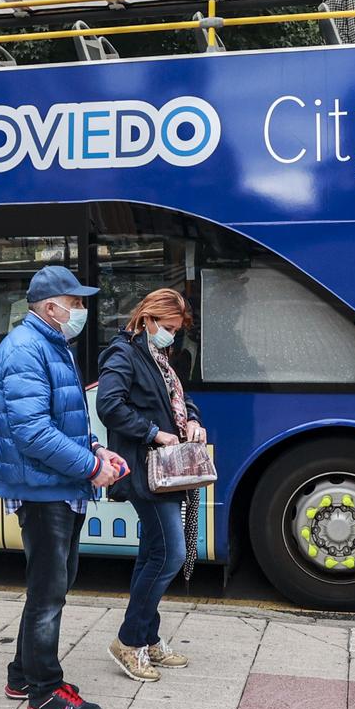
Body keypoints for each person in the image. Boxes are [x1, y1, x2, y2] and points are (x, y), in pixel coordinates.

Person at [0, 265, 122, 709]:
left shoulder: (48, 344)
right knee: (49, 593)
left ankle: (23, 673)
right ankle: (44, 691)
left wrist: (97, 450)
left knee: (50, 585)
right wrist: (89, 466)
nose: (82, 310)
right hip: (44, 490)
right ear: (51, 308)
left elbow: (61, 420)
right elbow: (33, 432)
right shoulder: (27, 350)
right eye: (77, 302)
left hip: (55, 485)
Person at [96, 287, 207, 683]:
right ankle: (129, 641)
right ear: (147, 320)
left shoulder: (158, 357)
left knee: (153, 554)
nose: (173, 336)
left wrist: (191, 420)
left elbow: (178, 399)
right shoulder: (123, 355)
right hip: (146, 472)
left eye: (178, 330)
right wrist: (153, 433)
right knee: (170, 555)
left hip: (164, 474)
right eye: (169, 327)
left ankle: (148, 636)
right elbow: (108, 406)